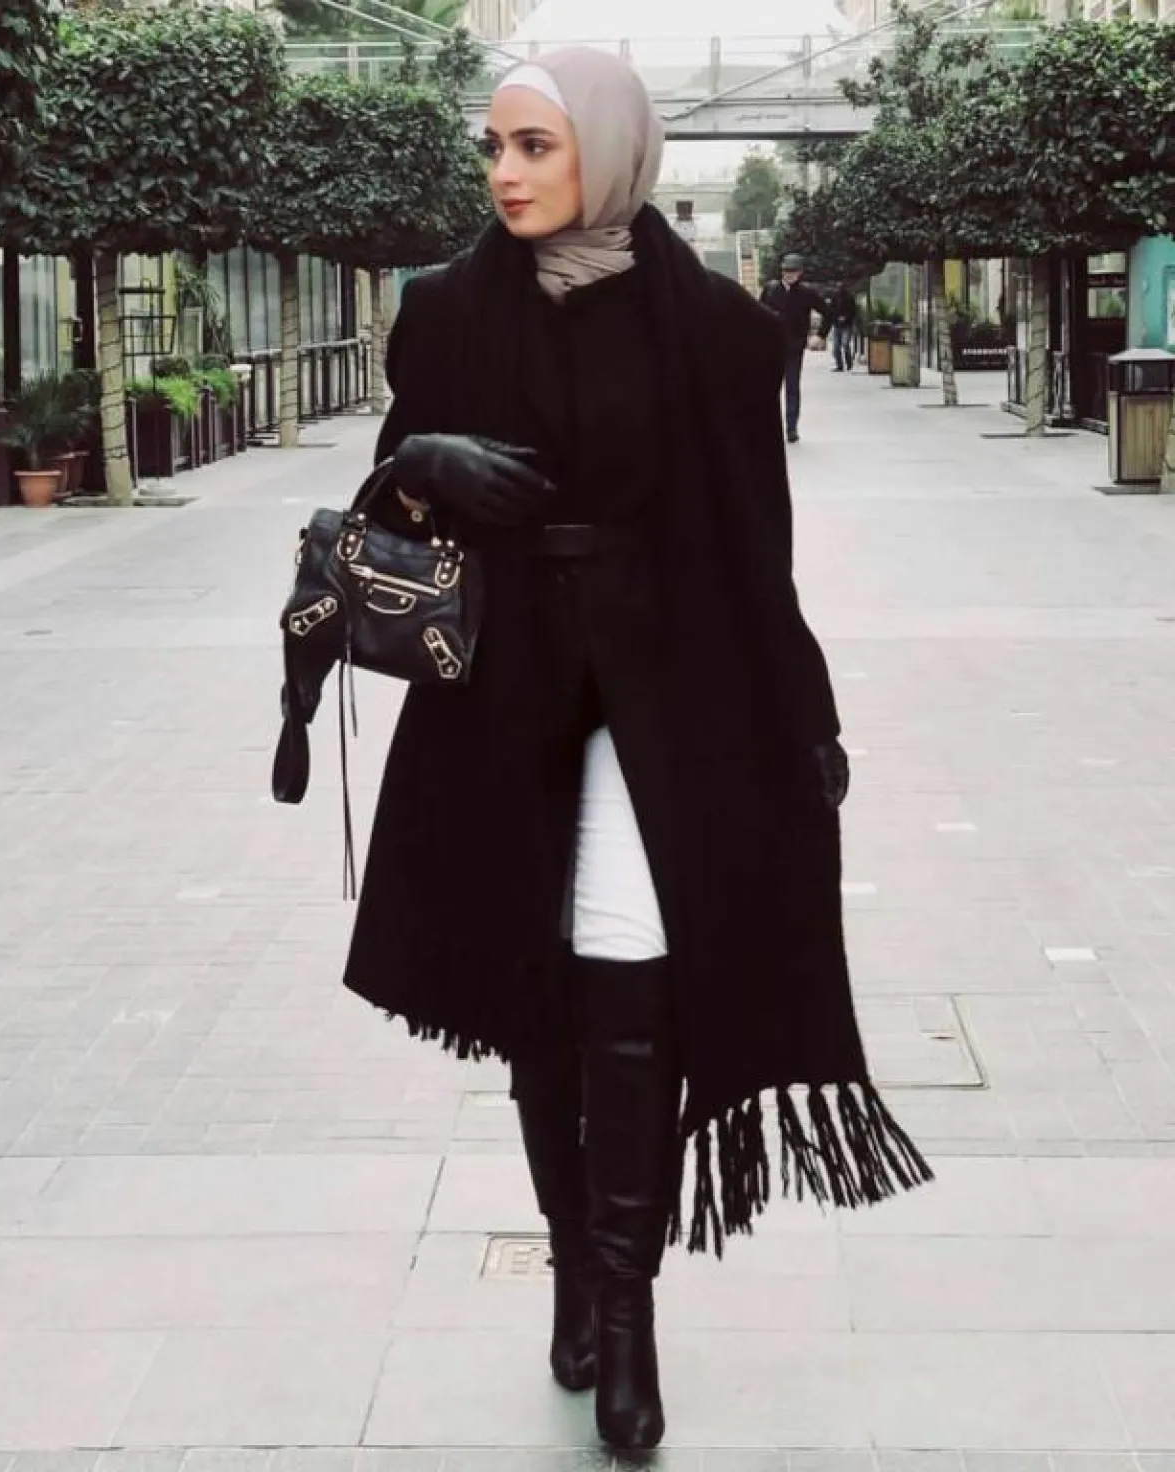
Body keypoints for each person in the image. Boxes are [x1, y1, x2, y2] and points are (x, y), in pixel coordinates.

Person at [343, 48, 933, 1454]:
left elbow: (756, 546)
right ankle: (574, 1263)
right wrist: (418, 465)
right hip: (500, 698)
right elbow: (383, 512)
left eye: (535, 146)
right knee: (535, 1002)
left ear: (607, 152)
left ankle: (626, 1309)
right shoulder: (443, 310)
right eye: (494, 147)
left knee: (628, 989)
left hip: (669, 697)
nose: (506, 173)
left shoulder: (715, 328)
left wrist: (807, 715)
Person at [759, 253, 834, 442]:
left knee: (792, 387)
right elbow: (758, 314)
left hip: (794, 346)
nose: (789, 274)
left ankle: (791, 428)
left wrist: (820, 335)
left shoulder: (806, 293)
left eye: (793, 271)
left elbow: (828, 312)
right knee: (769, 388)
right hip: (771, 347)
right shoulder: (771, 290)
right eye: (786, 270)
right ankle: (768, 427)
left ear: (800, 272)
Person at [832, 281, 859, 372]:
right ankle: (840, 365)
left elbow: (853, 311)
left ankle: (848, 362)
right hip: (837, 325)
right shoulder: (835, 298)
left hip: (847, 325)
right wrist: (836, 318)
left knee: (845, 344)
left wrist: (846, 318)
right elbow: (831, 310)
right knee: (836, 347)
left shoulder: (849, 298)